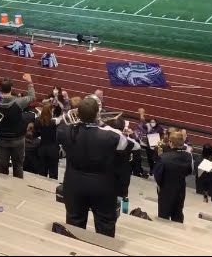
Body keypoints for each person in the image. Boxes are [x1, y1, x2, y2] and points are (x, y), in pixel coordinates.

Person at [58, 97, 139, 238]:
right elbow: (135, 146)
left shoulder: (65, 131)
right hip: (103, 187)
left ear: (78, 113)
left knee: (73, 226)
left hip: (74, 184)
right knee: (105, 228)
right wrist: (105, 126)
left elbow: (59, 123)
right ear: (97, 114)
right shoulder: (112, 135)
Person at [0, 74, 35, 179]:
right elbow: (32, 97)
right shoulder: (19, 102)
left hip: (1, 140)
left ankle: (4, 187)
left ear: (0, 88)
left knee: (2, 168)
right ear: (12, 88)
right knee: (18, 166)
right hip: (18, 140)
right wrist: (30, 83)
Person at [154, 130, 193, 223]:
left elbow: (157, 175)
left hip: (165, 189)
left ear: (171, 143)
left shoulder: (164, 157)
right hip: (180, 189)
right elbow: (189, 171)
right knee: (178, 214)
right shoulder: (188, 156)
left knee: (163, 216)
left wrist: (161, 184)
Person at [36, 102, 60, 179]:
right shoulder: (54, 122)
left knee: (42, 172)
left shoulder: (38, 121)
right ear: (50, 111)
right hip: (53, 149)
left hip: (42, 148)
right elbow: (62, 117)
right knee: (53, 173)